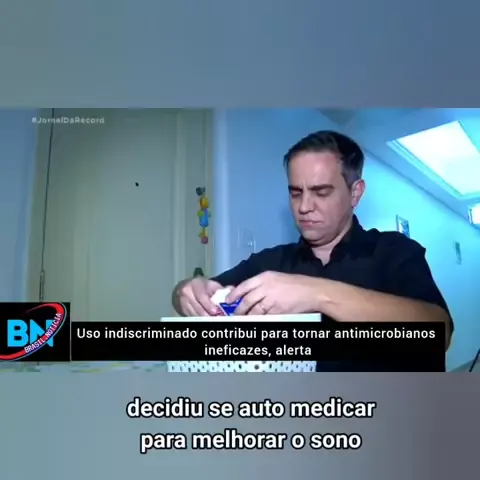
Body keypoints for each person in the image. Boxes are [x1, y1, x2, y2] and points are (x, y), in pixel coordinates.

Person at [172, 130, 453, 370]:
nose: (304, 206)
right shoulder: (270, 263)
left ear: (355, 193)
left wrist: (316, 294)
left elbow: (438, 334)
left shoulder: (394, 251)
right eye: (296, 193)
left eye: (321, 192)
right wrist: (186, 290)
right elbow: (197, 292)